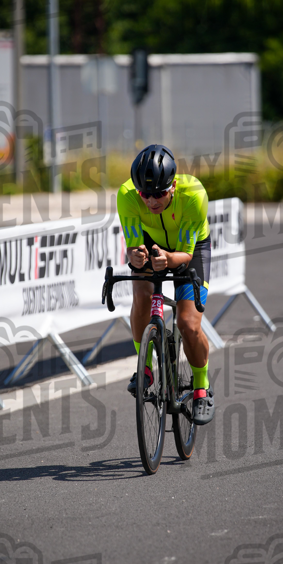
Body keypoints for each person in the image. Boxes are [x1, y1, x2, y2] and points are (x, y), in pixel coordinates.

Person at [116, 144, 214, 426]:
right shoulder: (127, 196)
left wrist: (169, 260)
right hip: (152, 243)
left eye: (159, 193)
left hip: (189, 250)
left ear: (173, 186)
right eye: (145, 194)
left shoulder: (194, 195)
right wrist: (135, 256)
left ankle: (201, 388)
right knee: (142, 297)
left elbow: (183, 252)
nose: (151, 201)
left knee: (188, 323)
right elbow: (134, 245)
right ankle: (144, 369)